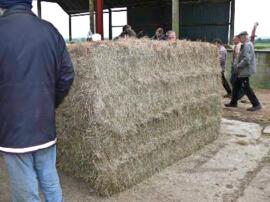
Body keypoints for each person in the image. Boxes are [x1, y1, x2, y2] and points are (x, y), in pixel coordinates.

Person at [0, 1, 75, 201]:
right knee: (49, 177)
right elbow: (67, 74)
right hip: (44, 123)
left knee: (25, 188)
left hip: (12, 127)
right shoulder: (49, 30)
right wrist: (50, 103)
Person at [225, 31, 262, 111]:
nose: (239, 38)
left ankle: (256, 104)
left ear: (244, 36)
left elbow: (247, 60)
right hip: (241, 71)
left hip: (244, 71)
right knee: (235, 85)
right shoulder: (245, 44)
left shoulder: (248, 45)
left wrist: (238, 66)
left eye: (240, 37)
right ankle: (233, 102)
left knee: (246, 88)